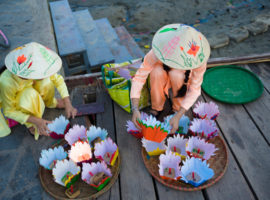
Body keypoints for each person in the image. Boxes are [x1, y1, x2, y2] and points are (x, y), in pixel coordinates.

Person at [131, 24, 210, 134]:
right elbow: (139, 77)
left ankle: (176, 108)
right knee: (156, 71)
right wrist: (135, 108)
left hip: (183, 77)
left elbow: (195, 89)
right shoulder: (159, 51)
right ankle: (157, 107)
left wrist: (179, 114)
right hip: (161, 70)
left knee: (177, 75)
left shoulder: (198, 59)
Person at [0, 42, 77, 140]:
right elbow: (9, 111)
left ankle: (50, 103)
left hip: (29, 86)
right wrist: (36, 120)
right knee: (29, 95)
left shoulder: (38, 69)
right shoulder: (6, 82)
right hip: (18, 100)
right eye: (40, 73)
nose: (43, 74)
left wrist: (67, 102)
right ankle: (31, 124)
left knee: (46, 81)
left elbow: (58, 79)